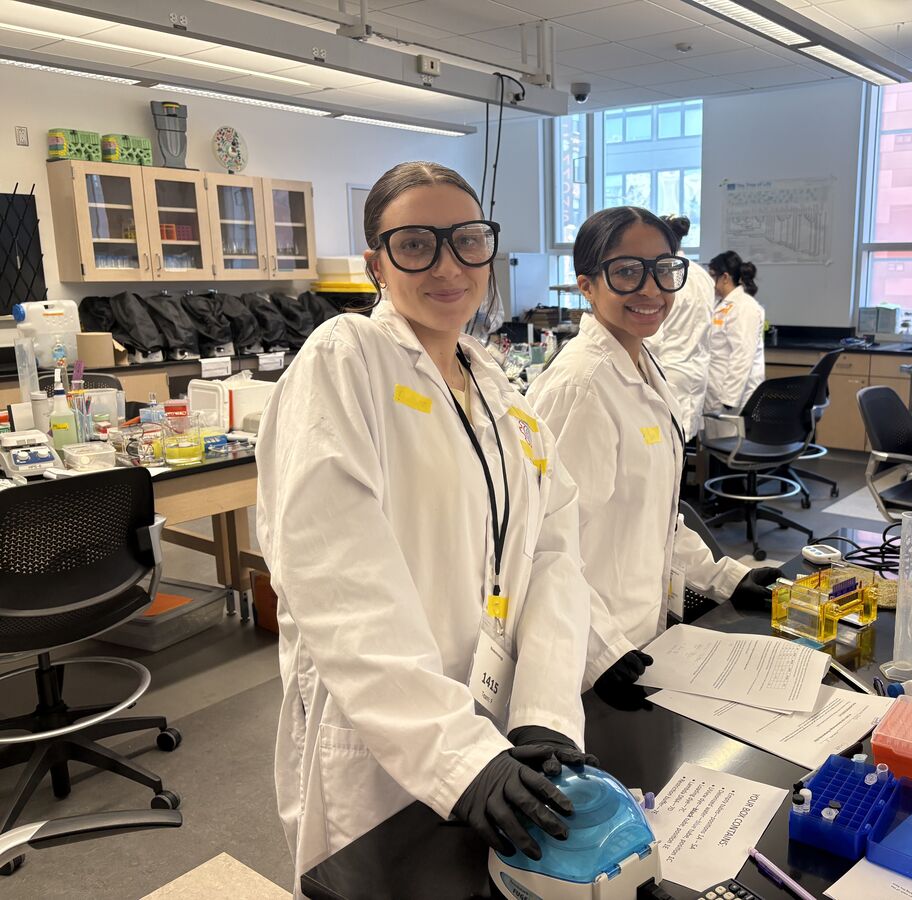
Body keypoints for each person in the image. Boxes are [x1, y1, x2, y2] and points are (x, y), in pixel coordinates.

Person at [256, 161, 597, 889]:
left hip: (499, 738)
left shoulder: (503, 393)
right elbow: (336, 585)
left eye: (468, 241)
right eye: (416, 245)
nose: (448, 266)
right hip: (387, 746)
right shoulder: (346, 360)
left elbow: (552, 557)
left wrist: (542, 712)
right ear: (377, 262)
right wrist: (456, 758)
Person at [527, 207, 783, 707]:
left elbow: (659, 515)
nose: (651, 289)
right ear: (587, 284)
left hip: (642, 640)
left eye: (663, 269)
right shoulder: (583, 386)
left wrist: (725, 578)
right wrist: (598, 649)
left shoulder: (643, 366)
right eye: (626, 272)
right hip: (587, 662)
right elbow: (540, 542)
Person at [643, 215, 713, 441]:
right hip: (695, 369)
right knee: (679, 444)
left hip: (668, 370)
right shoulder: (702, 276)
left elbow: (651, 335)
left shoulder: (667, 274)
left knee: (665, 447)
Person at [704, 250, 765, 424]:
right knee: (717, 444)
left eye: (712, 276)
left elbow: (742, 355)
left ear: (724, 277)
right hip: (716, 390)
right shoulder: (721, 304)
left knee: (731, 445)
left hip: (733, 398)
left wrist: (729, 399)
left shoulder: (744, 307)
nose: (710, 282)